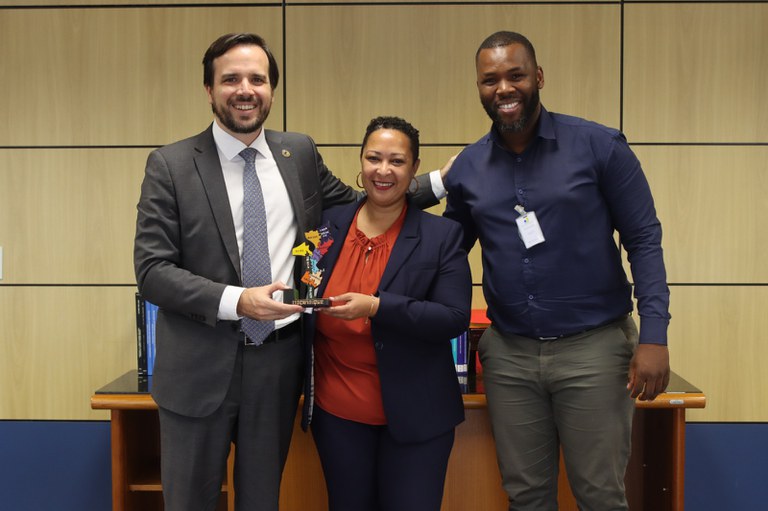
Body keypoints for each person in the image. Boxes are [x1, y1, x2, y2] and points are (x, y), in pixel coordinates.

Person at [133, 34, 444, 511]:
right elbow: (153, 271)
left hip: (277, 366)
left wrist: (441, 181)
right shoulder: (171, 165)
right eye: (231, 79)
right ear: (208, 89)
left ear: (271, 90)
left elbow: (363, 203)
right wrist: (238, 300)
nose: (245, 89)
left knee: (262, 500)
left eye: (257, 79)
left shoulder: (297, 154)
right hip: (198, 367)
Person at [442, 31, 671, 511]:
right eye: (490, 80)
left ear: (538, 77)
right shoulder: (468, 168)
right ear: (479, 88)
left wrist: (654, 336)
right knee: (525, 497)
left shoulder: (600, 147)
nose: (503, 88)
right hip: (509, 357)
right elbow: (445, 250)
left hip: (595, 351)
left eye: (515, 75)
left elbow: (645, 242)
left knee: (600, 496)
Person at [301, 116, 472, 511]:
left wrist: (378, 307)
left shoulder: (441, 236)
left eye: (397, 161)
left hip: (417, 419)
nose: (383, 170)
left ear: (413, 170)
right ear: (360, 164)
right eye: (373, 158)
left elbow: (452, 317)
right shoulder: (325, 227)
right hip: (338, 415)